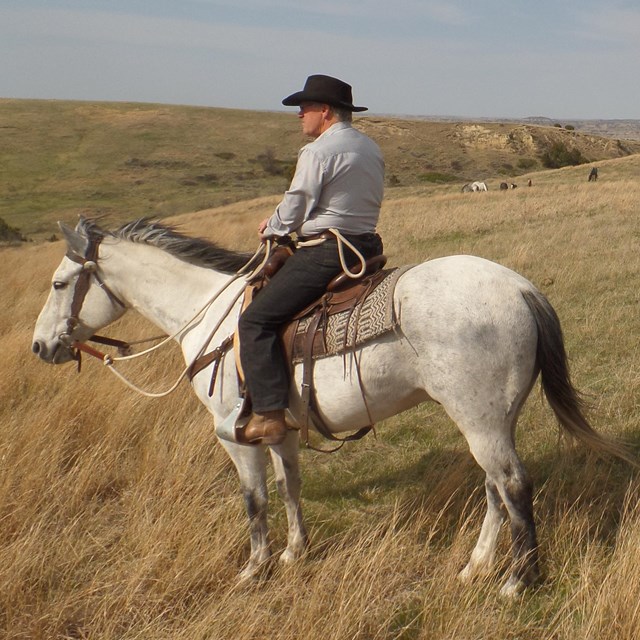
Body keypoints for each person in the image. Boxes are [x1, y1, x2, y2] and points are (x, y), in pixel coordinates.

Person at [236, 74, 385, 446]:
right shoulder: (371, 148)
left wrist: (272, 226)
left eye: (304, 108)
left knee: (255, 319)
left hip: (327, 252)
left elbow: (297, 203)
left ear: (325, 111)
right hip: (366, 246)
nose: (299, 115)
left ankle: (268, 413)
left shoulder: (318, 152)